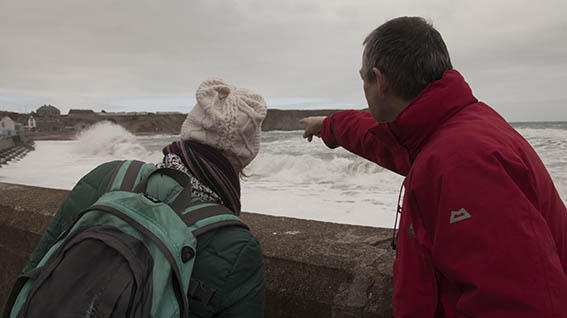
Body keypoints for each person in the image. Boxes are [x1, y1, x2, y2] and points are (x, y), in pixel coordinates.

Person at [300, 16, 567, 317]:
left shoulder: (465, 164)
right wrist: (328, 126)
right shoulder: (443, 128)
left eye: (364, 78)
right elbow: (379, 140)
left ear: (380, 80)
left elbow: (519, 304)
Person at [20, 78, 267, 317]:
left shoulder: (104, 177)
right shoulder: (237, 246)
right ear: (243, 155)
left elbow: (35, 273)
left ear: (191, 128)